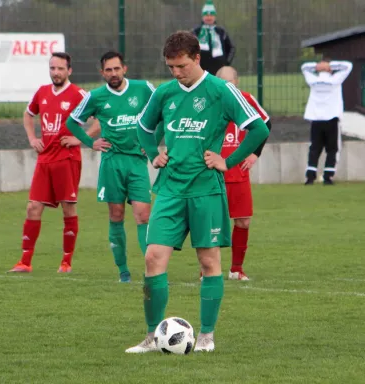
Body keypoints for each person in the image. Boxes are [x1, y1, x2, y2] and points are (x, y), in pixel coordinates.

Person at [125, 31, 269, 353]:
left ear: (197, 59)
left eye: (182, 66)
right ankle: (151, 337)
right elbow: (144, 128)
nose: (176, 72)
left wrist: (227, 161)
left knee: (208, 262)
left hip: (205, 190)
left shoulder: (221, 91)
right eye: (171, 67)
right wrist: (153, 154)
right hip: (171, 189)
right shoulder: (164, 93)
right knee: (152, 258)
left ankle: (206, 336)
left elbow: (258, 127)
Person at [66, 51, 160, 283]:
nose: (113, 73)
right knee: (116, 215)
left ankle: (152, 270)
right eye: (108, 70)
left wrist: (151, 144)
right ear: (102, 73)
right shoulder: (95, 96)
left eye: (117, 69)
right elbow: (72, 122)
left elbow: (165, 113)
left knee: (143, 215)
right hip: (112, 162)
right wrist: (90, 142)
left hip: (137, 162)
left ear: (124, 69)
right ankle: (123, 271)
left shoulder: (144, 88)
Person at [8, 52, 92, 274]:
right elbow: (28, 115)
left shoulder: (78, 94)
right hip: (45, 159)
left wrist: (79, 138)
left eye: (60, 69)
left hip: (67, 159)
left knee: (68, 208)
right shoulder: (42, 92)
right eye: (52, 68)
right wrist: (32, 138)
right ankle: (25, 262)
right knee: (33, 207)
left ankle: (66, 263)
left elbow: (100, 117)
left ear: (69, 71)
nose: (56, 72)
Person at [216, 66, 272, 281]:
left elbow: (266, 123)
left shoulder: (246, 99)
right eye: (223, 83)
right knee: (211, 223)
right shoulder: (209, 100)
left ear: (237, 82)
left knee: (243, 221)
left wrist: (254, 154)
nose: (228, 87)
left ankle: (236, 269)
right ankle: (207, 269)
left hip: (238, 171)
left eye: (231, 83)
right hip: (213, 172)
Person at [301, 58, 352, 185]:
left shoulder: (313, 80)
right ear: (331, 70)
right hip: (331, 119)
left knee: (314, 148)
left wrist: (318, 66)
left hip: (316, 120)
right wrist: (330, 65)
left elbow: (304, 67)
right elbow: (348, 66)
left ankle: (310, 178)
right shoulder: (336, 79)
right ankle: (328, 177)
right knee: (332, 149)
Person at [192, 0, 235, 77]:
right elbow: (190, 49)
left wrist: (226, 63)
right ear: (203, 16)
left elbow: (231, 48)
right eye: (206, 15)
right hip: (200, 70)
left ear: (214, 17)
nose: (209, 17)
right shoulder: (196, 32)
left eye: (211, 15)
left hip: (219, 70)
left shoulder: (221, 31)